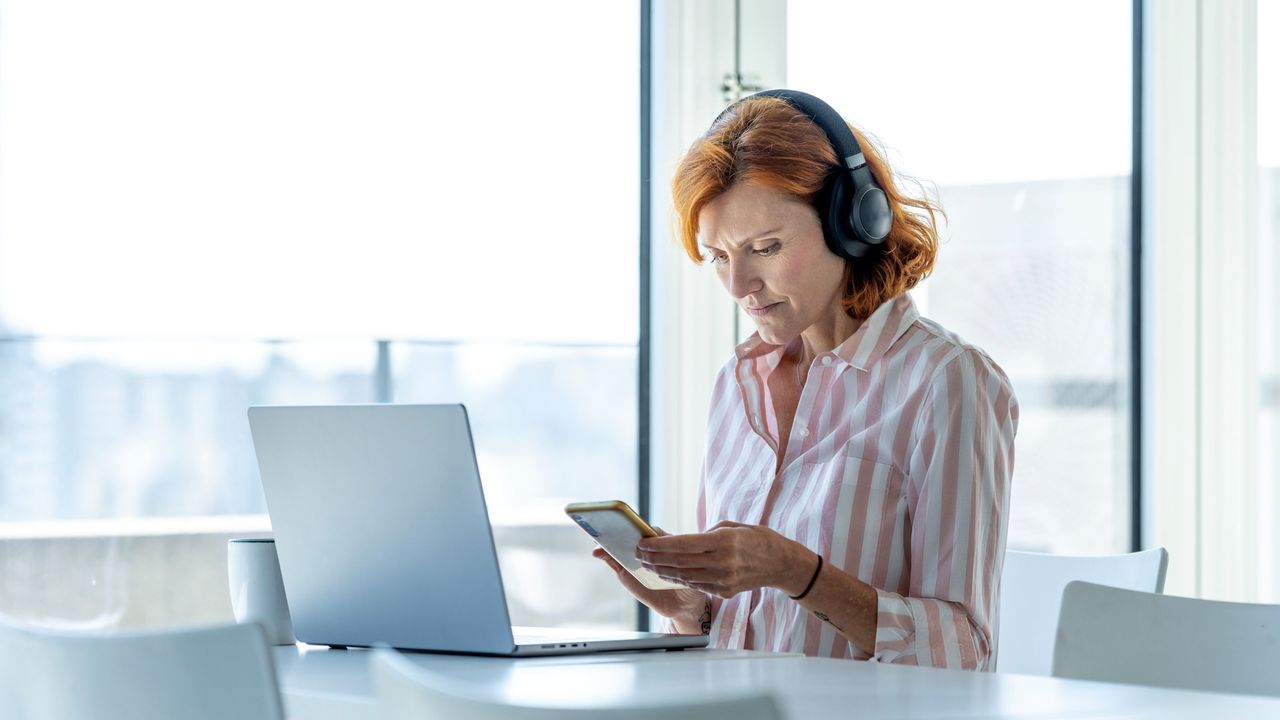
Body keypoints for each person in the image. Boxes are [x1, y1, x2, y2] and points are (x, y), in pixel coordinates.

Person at [593, 90, 1018, 670]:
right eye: (718, 256)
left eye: (764, 247)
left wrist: (797, 572)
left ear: (851, 223)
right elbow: (758, 629)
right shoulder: (736, 385)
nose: (739, 285)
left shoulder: (947, 383)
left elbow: (965, 650)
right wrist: (698, 611)